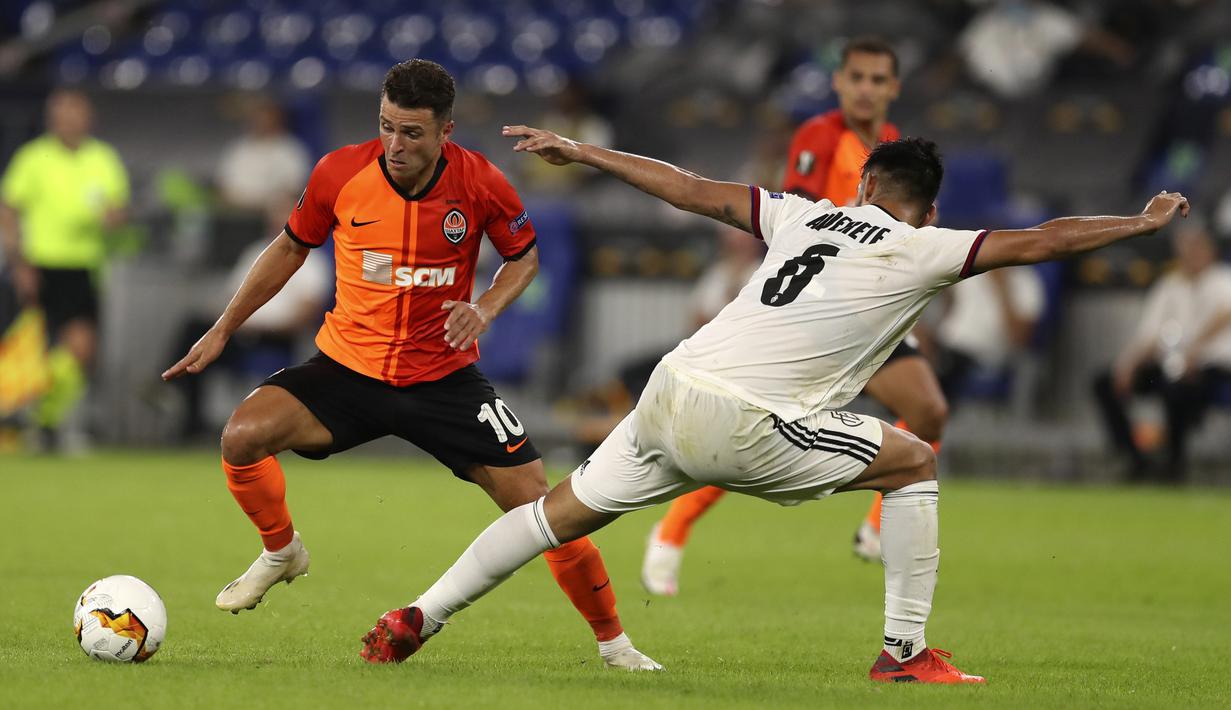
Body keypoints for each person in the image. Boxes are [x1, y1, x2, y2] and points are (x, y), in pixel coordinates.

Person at [357, 125, 1188, 682]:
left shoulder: (803, 215)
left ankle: (415, 618)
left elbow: (686, 189)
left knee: (552, 517)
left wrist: (584, 151)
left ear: (862, 182)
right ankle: (903, 653)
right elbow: (1045, 238)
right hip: (747, 420)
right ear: (928, 209)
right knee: (916, 461)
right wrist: (1140, 224)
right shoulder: (926, 245)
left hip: (669, 389)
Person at [161, 59, 659, 671]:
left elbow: (524, 259)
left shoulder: (479, 182)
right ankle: (282, 550)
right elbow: (291, 246)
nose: (395, 145)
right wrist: (223, 328)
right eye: (387, 127)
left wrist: (485, 307)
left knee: (548, 510)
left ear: (445, 130)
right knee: (241, 436)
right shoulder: (340, 173)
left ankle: (616, 646)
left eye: (412, 133)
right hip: (348, 371)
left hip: (444, 380)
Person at [642, 37, 947, 592]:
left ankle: (876, 530)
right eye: (857, 77)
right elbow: (806, 218)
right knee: (755, 428)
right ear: (839, 82)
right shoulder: (819, 136)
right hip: (816, 312)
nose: (866, 89)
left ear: (893, 88)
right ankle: (672, 530)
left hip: (870, 311)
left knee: (928, 410)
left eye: (878, 80)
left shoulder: (893, 149)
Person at [0, 88, 130, 450]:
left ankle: (42, 418)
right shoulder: (33, 158)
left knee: (80, 350)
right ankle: (36, 422)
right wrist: (19, 262)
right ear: (51, 119)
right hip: (40, 266)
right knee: (29, 349)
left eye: (75, 113)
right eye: (61, 114)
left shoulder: (103, 158)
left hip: (84, 267)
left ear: (88, 118)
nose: (68, 121)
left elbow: (118, 210)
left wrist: (112, 218)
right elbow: (8, 210)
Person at [1092, 220, 1231, 483]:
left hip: (1213, 370)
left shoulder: (1224, 280)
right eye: (1185, 247)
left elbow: (1226, 315)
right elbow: (1150, 335)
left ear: (1210, 250)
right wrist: (1129, 365)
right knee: (1105, 382)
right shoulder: (1169, 286)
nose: (1190, 253)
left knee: (1178, 388)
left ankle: (1174, 463)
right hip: (1171, 365)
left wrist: (1194, 352)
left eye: (1196, 246)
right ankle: (1134, 459)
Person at [165, 239, 331, 441]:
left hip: (272, 336)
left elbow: (306, 314)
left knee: (196, 336)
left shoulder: (314, 262)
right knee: (196, 328)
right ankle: (189, 419)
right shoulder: (258, 251)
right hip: (239, 332)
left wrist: (259, 327)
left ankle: (171, 386)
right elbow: (232, 297)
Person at [929, 267, 1045, 401]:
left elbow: (1019, 338)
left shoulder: (1026, 282)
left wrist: (1002, 286)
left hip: (983, 356)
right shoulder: (972, 268)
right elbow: (947, 309)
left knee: (935, 372)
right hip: (945, 346)